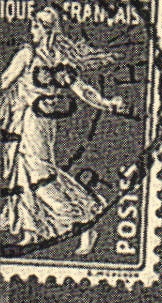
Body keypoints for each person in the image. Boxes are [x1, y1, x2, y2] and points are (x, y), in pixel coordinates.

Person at [0, 6, 128, 252]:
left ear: (47, 30)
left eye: (37, 26)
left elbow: (81, 89)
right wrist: (107, 104)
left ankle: (82, 220)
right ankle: (31, 231)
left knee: (40, 175)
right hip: (26, 119)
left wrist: (107, 104)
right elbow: (6, 81)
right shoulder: (38, 56)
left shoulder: (39, 57)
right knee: (23, 173)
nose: (32, 31)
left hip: (38, 123)